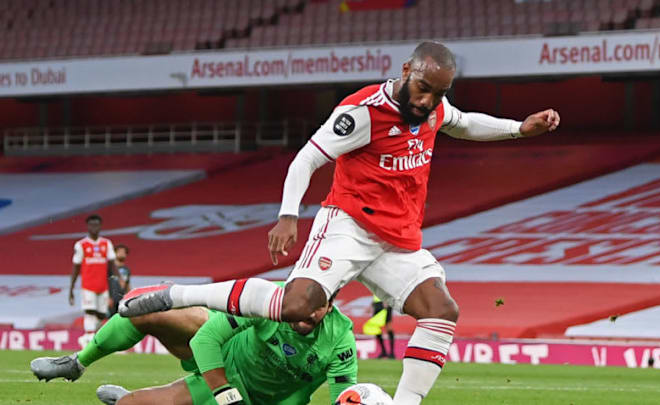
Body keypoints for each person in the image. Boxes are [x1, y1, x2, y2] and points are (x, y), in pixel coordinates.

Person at [120, 41, 560, 405]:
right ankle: (173, 294)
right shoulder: (363, 112)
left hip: (397, 241)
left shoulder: (434, 109)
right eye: (423, 87)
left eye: (437, 93)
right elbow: (308, 157)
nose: (427, 101)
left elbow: (464, 123)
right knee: (295, 307)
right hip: (347, 227)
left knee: (441, 313)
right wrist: (289, 214)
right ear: (407, 70)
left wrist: (520, 128)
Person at [31, 289, 357, 405]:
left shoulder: (341, 340)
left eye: (319, 306)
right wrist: (227, 396)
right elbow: (206, 339)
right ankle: (77, 362)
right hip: (224, 356)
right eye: (304, 303)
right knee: (145, 310)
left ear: (332, 306)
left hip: (255, 398)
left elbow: (342, 396)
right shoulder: (269, 299)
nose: (307, 313)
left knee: (133, 404)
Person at [69, 214, 123, 345]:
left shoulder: (106, 243)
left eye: (96, 224)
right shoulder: (81, 245)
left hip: (102, 286)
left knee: (101, 314)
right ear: (88, 226)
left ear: (100, 226)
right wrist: (71, 288)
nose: (94, 227)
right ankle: (87, 338)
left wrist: (119, 279)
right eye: (92, 225)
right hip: (88, 285)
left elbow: (112, 264)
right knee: (89, 311)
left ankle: (90, 337)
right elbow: (76, 267)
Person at [107, 244, 131, 317]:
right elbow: (105, 282)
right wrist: (107, 297)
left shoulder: (127, 270)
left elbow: (127, 284)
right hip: (111, 298)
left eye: (124, 252)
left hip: (121, 299)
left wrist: (129, 296)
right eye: (119, 252)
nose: (122, 254)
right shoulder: (109, 268)